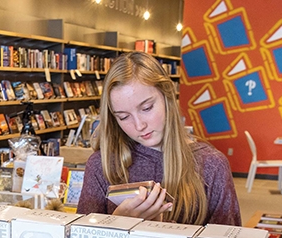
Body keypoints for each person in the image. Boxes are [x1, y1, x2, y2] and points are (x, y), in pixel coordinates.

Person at [77, 52, 241, 226]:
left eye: (147, 108)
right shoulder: (101, 165)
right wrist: (117, 224)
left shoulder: (211, 165)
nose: (139, 125)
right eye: (124, 117)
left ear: (167, 96)